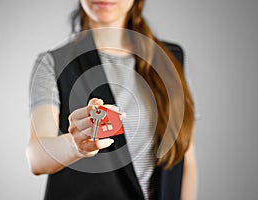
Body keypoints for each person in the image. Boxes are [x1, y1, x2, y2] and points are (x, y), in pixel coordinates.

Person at [26, 0, 197, 199]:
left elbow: (186, 158)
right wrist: (75, 145)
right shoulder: (54, 63)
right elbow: (36, 157)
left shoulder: (170, 57)